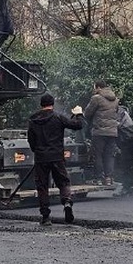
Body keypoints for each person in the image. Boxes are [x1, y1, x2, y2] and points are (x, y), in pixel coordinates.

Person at [27, 93, 85, 226]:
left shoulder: (33, 119)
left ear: (41, 105)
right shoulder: (58, 117)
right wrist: (79, 114)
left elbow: (31, 140)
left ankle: (45, 216)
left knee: (42, 186)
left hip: (41, 157)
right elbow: (78, 125)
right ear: (52, 104)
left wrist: (37, 151)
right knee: (63, 181)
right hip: (57, 156)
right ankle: (67, 202)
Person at [83, 80, 119, 186]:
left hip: (99, 131)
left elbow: (87, 113)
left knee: (97, 155)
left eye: (94, 87)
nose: (94, 90)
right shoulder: (115, 99)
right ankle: (108, 179)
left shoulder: (96, 98)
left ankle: (98, 178)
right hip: (112, 132)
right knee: (109, 155)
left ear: (98, 87)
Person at [112, 104, 133, 197]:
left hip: (128, 141)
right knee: (127, 166)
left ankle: (126, 188)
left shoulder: (119, 112)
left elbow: (117, 125)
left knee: (125, 165)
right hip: (130, 141)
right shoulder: (121, 111)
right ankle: (129, 189)